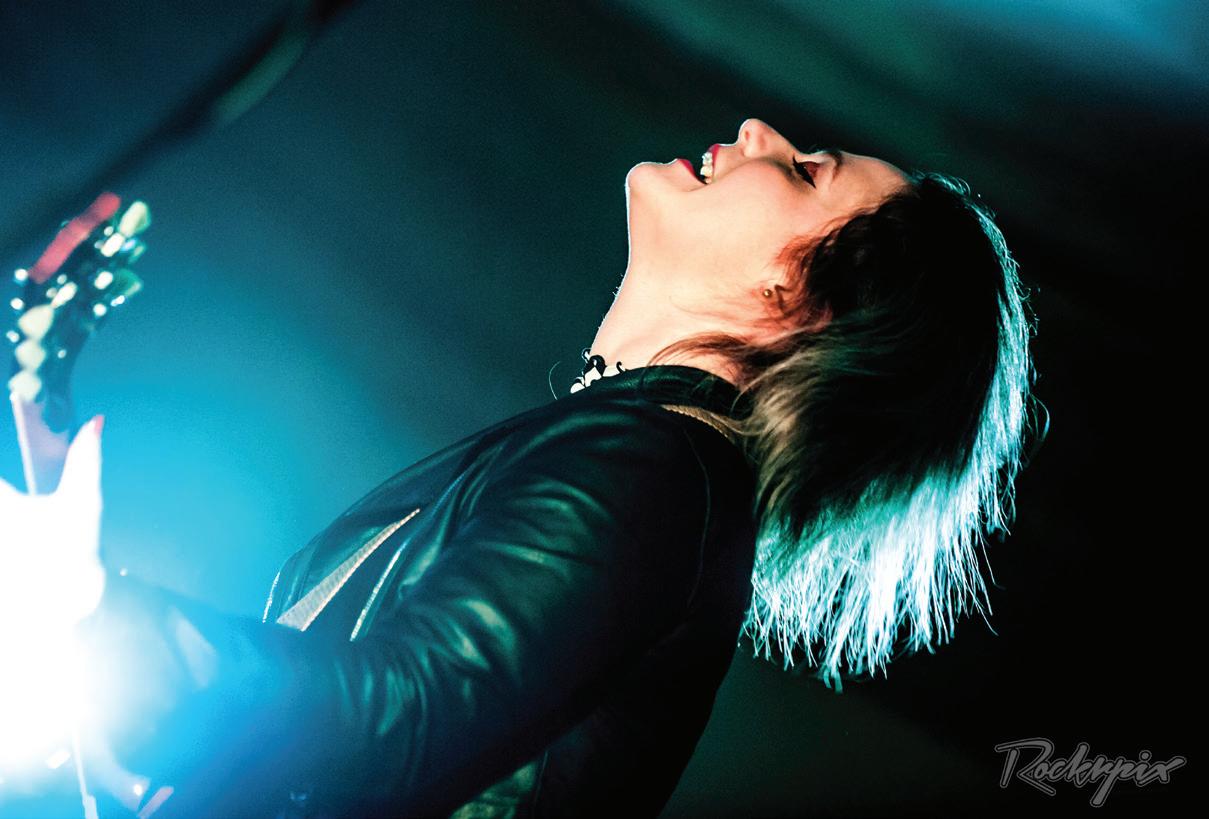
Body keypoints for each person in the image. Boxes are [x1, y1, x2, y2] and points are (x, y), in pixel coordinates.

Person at [3, 118, 1036, 817]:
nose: (762, 131)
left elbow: (387, 722)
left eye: (806, 172)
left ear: (795, 298)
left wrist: (89, 607)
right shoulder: (639, 457)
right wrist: (60, 520)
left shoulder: (652, 469)